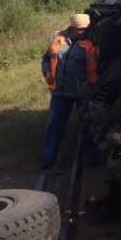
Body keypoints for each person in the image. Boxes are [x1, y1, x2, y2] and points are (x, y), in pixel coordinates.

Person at [40, 13, 99, 170]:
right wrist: (46, 72)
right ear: (72, 29)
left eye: (86, 29)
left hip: (82, 94)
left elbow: (100, 66)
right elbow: (46, 58)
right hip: (60, 93)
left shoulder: (92, 44)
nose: (83, 32)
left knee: (87, 125)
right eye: (80, 29)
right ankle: (48, 160)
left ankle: (92, 158)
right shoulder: (58, 40)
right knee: (54, 125)